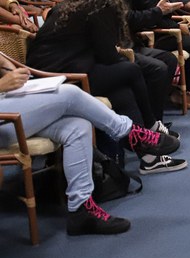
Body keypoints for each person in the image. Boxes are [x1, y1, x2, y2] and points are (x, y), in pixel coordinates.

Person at [26, 0, 187, 175]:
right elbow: (108, 56)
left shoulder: (65, 7)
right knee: (131, 70)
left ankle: (149, 158)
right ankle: (150, 128)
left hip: (44, 76)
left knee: (122, 91)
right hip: (67, 78)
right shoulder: (99, 9)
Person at [0, 53, 180, 235]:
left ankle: (80, 210)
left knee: (78, 127)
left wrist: (8, 69)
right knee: (70, 94)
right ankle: (130, 134)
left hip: (8, 103)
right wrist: (2, 84)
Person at [104, 0, 186, 118]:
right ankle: (151, 120)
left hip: (122, 43)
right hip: (118, 49)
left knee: (169, 59)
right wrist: (158, 11)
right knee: (159, 68)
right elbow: (129, 19)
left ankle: (154, 116)